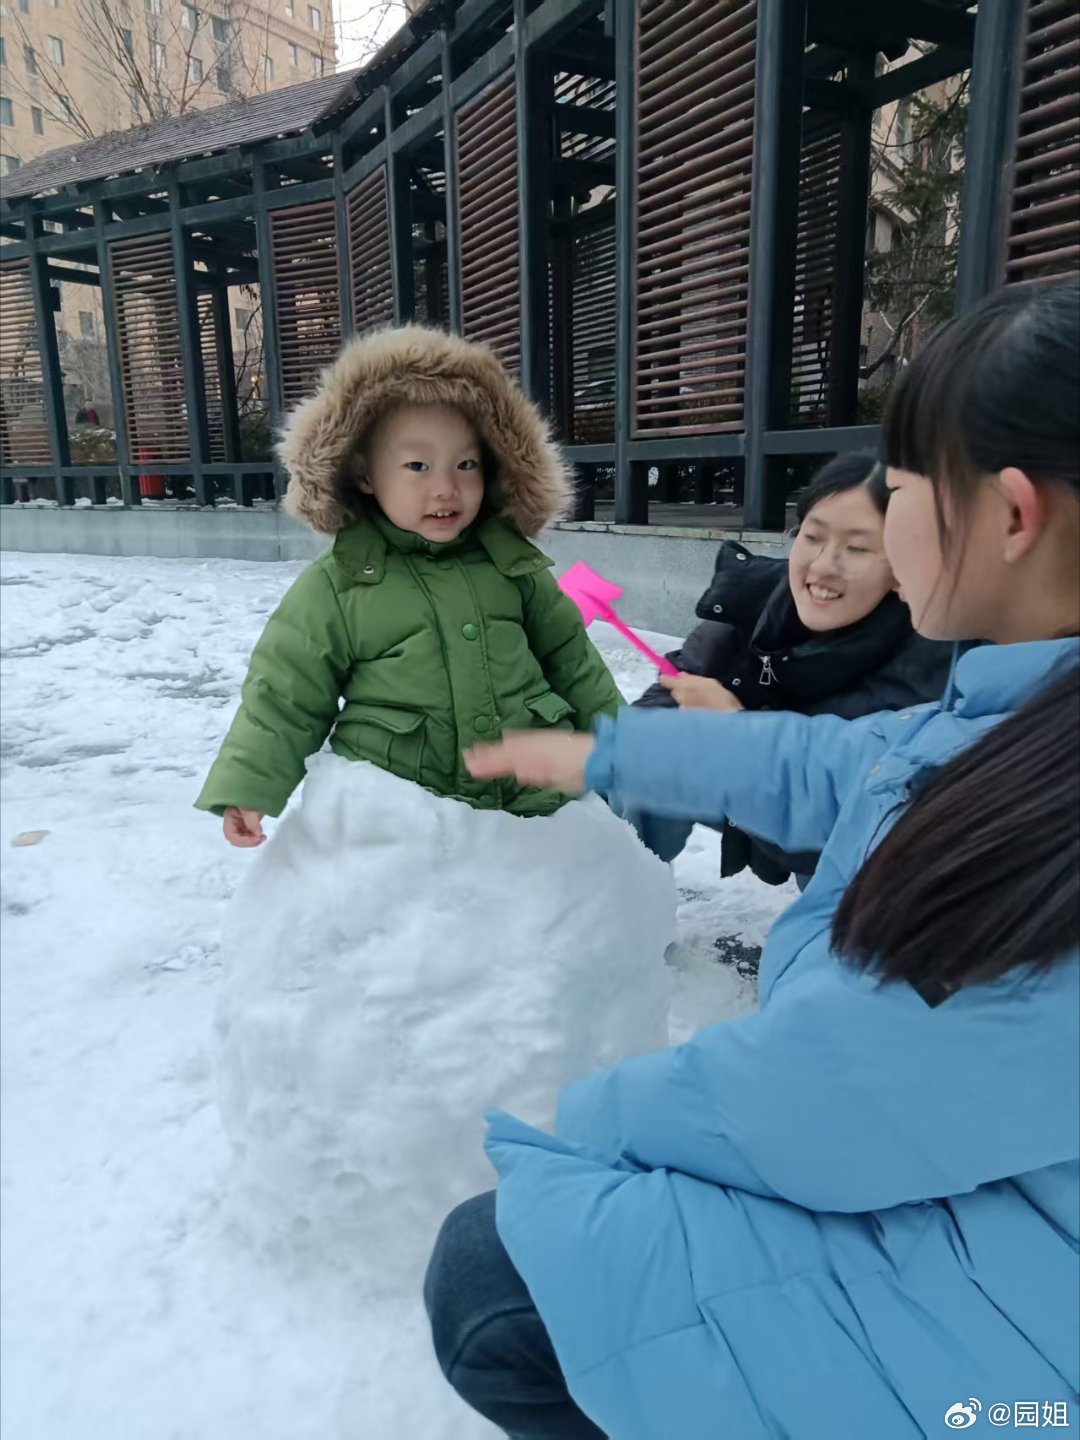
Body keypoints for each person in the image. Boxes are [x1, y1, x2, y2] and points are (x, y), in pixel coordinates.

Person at [424, 277, 1080, 1439]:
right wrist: (611, 752)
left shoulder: (1031, 786)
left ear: (1013, 516)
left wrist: (576, 1120)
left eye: (899, 493)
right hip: (979, 1185)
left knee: (492, 1275)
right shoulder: (1014, 707)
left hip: (1016, 1343)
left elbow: (821, 1105)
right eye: (816, 533)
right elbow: (824, 762)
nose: (837, 555)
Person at [195, 325, 621, 840]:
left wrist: (628, 754)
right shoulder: (341, 583)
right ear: (364, 474)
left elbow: (573, 663)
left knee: (558, 884)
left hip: (532, 802)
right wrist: (250, 785)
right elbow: (286, 692)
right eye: (417, 465)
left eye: (465, 464)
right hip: (403, 811)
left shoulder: (511, 565)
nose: (446, 487)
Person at [626, 452, 953, 885]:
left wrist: (736, 733)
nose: (823, 566)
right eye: (812, 537)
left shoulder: (925, 662)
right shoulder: (748, 603)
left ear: (903, 567)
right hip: (745, 793)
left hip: (826, 836)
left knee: (854, 877)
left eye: (857, 548)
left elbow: (849, 819)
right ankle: (625, 902)